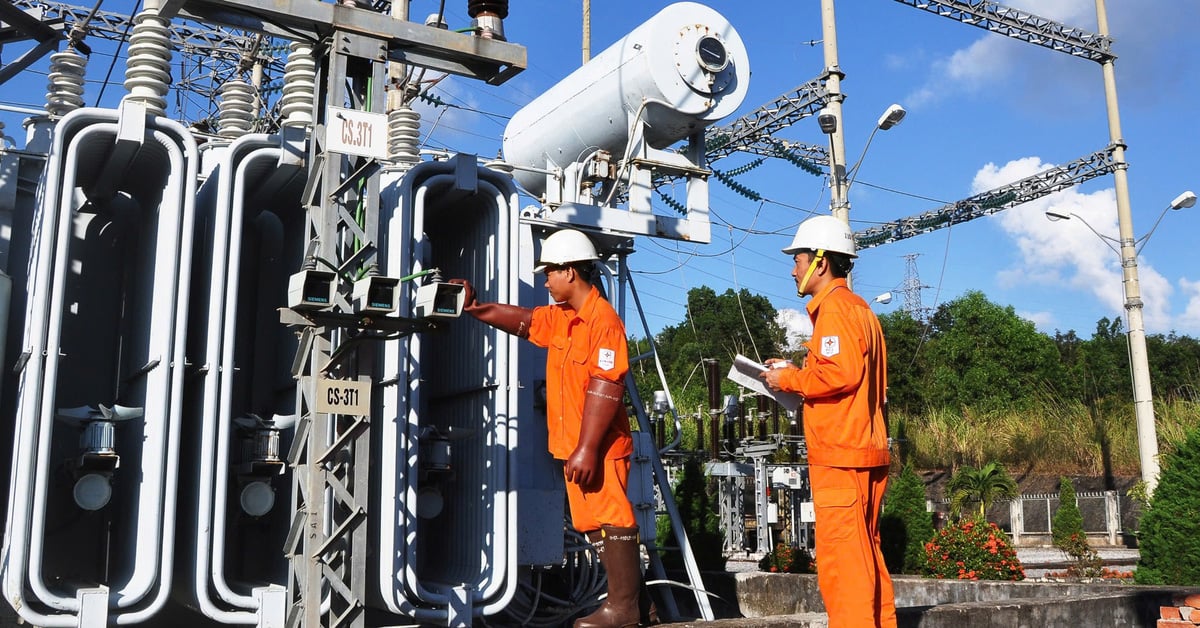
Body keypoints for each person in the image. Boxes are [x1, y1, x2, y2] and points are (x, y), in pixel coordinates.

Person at [452, 228, 654, 628]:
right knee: (589, 523)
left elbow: (607, 384)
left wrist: (588, 448)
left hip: (600, 447)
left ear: (570, 272)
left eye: (549, 273)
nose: (544, 281)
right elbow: (525, 322)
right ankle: (640, 603)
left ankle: (623, 610)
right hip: (573, 446)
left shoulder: (603, 321)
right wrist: (476, 308)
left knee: (614, 518)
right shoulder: (562, 319)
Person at [759, 214, 896, 628]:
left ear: (820, 262)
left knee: (843, 561)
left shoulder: (834, 309)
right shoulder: (860, 310)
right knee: (866, 552)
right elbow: (847, 370)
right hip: (865, 450)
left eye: (798, 258)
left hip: (842, 454)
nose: (793, 268)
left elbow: (840, 374)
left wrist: (788, 378)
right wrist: (795, 369)